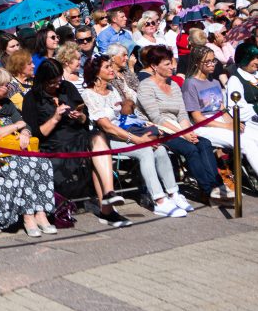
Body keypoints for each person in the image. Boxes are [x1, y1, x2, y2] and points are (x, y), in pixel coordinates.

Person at [22, 60, 129, 227]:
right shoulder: (32, 98)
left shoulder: (67, 88)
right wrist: (56, 117)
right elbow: (37, 134)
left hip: (78, 136)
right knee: (94, 154)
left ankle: (109, 193)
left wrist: (79, 116)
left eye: (59, 80)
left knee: (98, 139)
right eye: (52, 82)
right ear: (43, 80)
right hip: (54, 143)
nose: (57, 85)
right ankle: (108, 211)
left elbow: (85, 117)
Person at [83, 56, 190, 218]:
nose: (112, 69)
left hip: (124, 131)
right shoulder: (89, 94)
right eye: (107, 67)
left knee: (159, 149)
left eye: (111, 66)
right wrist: (137, 140)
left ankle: (173, 193)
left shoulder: (112, 90)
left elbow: (125, 115)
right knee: (145, 150)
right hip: (106, 138)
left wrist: (139, 121)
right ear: (96, 73)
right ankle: (159, 200)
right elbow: (107, 126)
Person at [0, 66, 55, 234]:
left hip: (13, 148)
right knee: (21, 166)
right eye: (4, 85)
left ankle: (41, 212)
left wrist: (25, 133)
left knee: (43, 162)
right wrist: (15, 126)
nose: (9, 87)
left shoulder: (6, 104)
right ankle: (27, 215)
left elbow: (25, 124)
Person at [136, 46, 227, 200]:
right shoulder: (145, 86)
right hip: (157, 128)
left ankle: (216, 187)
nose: (172, 66)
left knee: (204, 143)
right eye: (167, 64)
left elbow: (182, 113)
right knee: (190, 149)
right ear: (154, 66)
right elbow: (156, 118)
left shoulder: (173, 84)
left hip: (177, 125)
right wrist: (184, 134)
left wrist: (188, 131)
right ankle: (207, 190)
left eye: (172, 62)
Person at [184, 45, 258, 177]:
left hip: (221, 121)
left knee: (254, 136)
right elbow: (197, 118)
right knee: (246, 143)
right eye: (208, 61)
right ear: (197, 63)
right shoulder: (190, 84)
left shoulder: (215, 82)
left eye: (214, 60)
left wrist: (234, 123)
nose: (212, 64)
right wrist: (227, 126)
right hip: (205, 126)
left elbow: (223, 109)